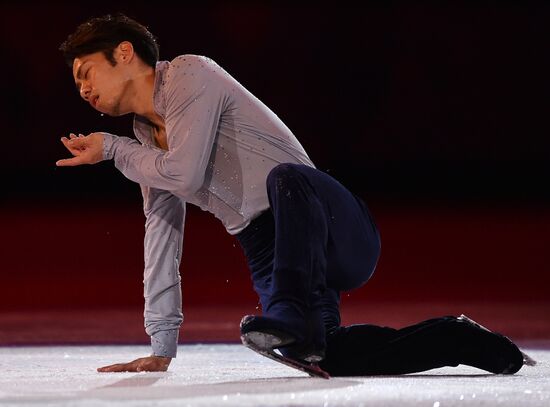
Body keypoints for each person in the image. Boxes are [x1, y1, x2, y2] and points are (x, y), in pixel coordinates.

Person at [57, 14, 531, 375]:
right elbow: (161, 229)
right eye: (77, 83)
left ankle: (288, 312)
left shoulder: (188, 74)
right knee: (327, 354)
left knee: (285, 178)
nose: (83, 89)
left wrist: (112, 150)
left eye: (86, 72)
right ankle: (465, 342)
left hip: (322, 218)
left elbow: (183, 174)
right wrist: (162, 346)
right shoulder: (142, 140)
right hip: (273, 250)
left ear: (123, 52)